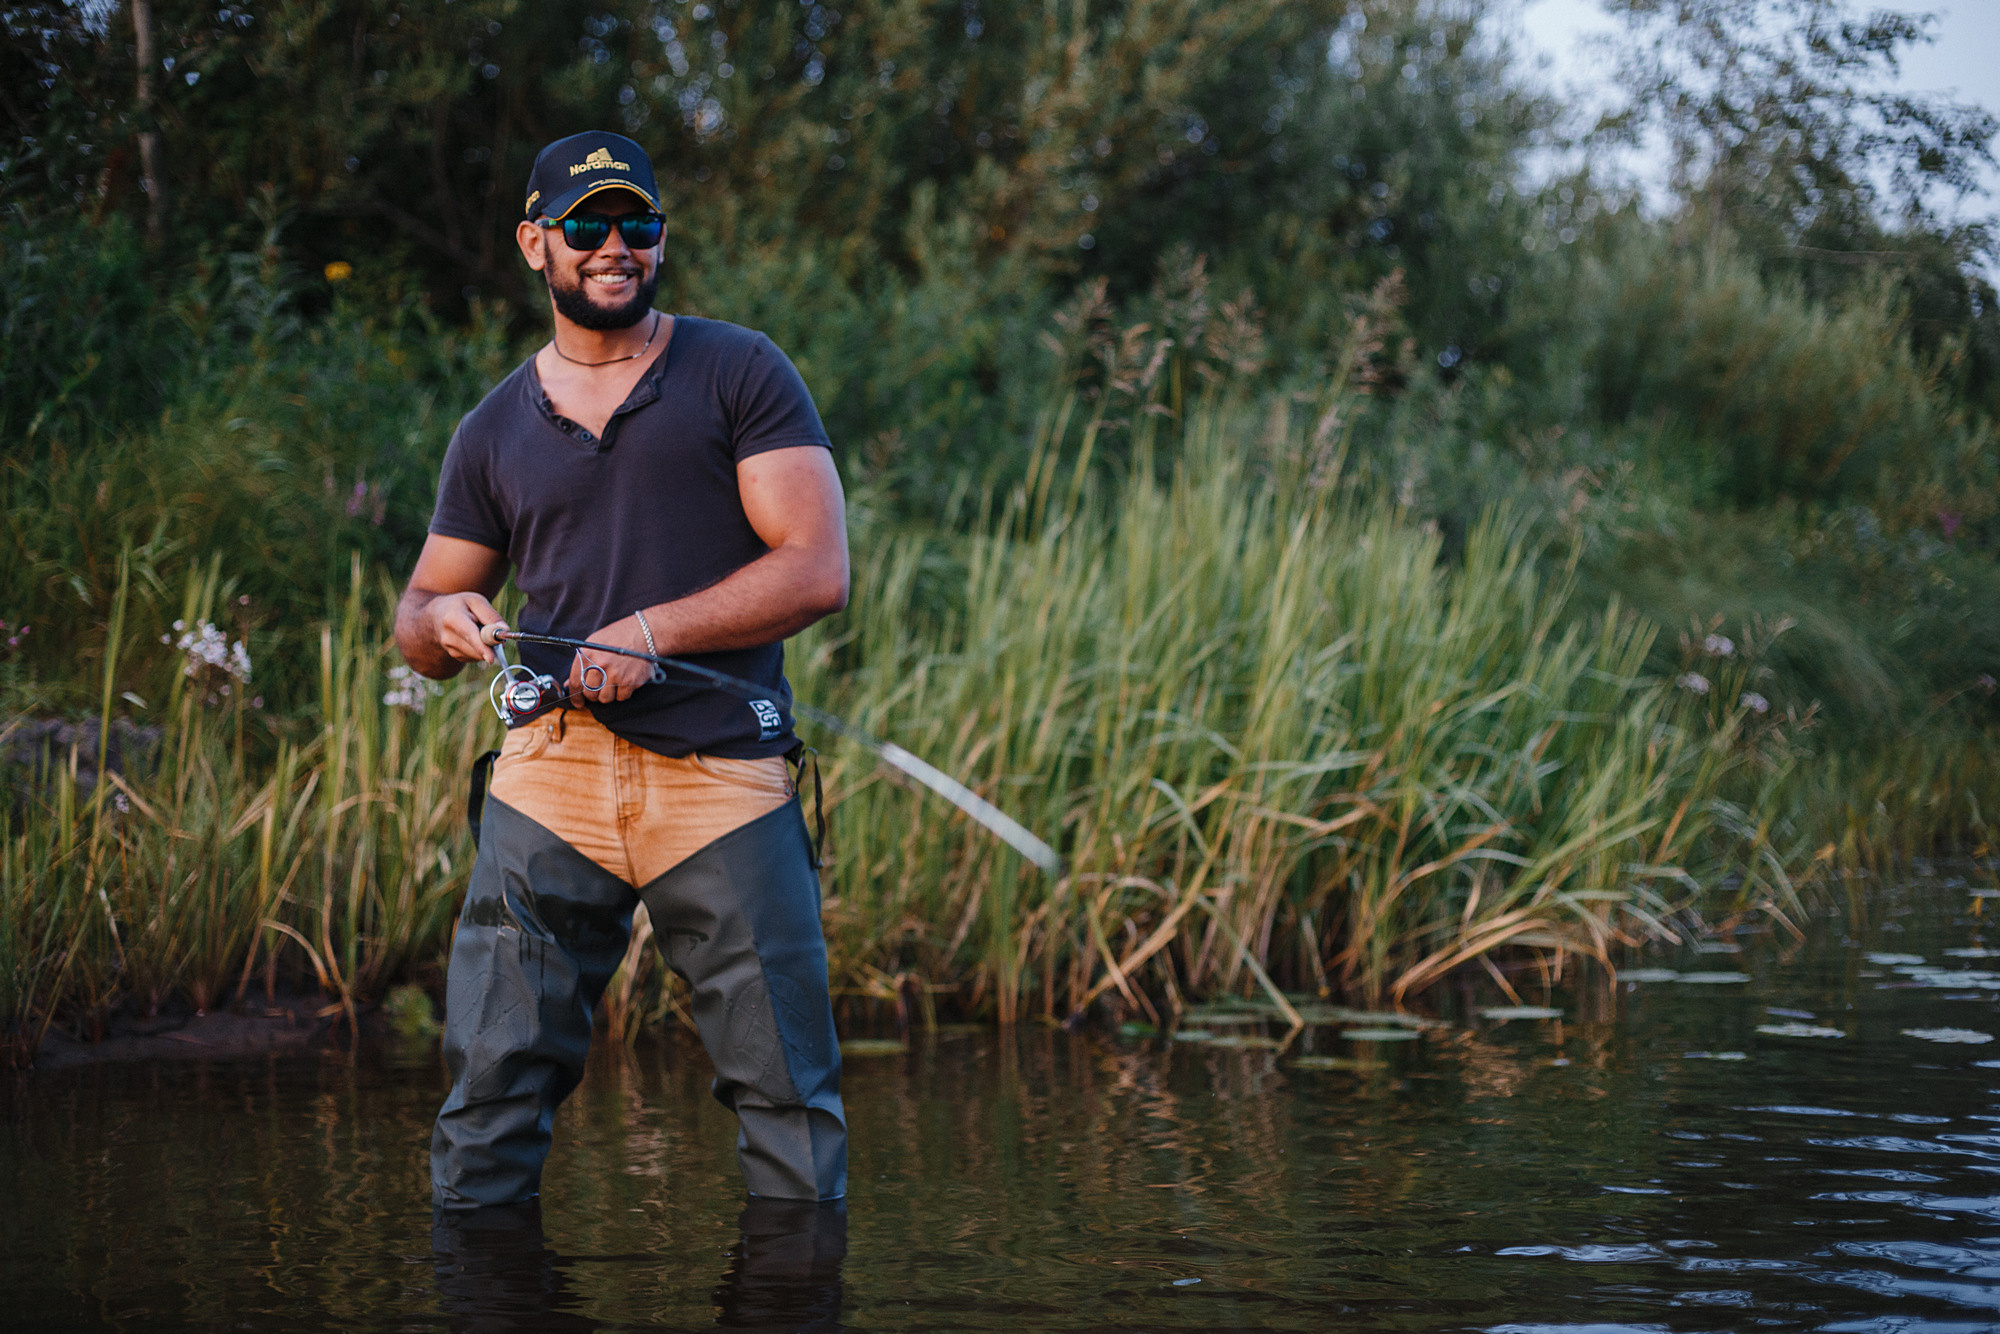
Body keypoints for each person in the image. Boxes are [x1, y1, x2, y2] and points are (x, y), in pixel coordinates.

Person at [395, 130, 849, 1211]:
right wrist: (442, 616)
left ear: (657, 239)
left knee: (788, 1099)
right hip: (547, 777)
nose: (613, 246)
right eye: (585, 225)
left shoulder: (740, 369)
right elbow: (415, 613)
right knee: (489, 1096)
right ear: (532, 244)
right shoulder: (492, 428)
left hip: (723, 778)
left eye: (634, 223)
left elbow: (815, 567)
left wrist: (647, 632)